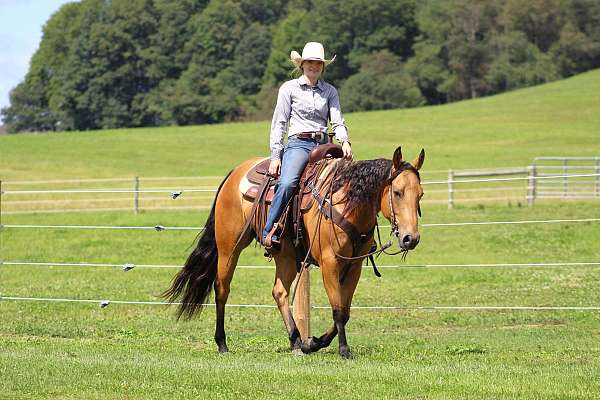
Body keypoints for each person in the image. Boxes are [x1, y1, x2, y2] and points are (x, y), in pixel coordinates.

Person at [262, 41, 353, 246]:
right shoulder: (289, 89)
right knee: (287, 183)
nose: (314, 66)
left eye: (318, 63)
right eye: (310, 62)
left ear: (323, 67)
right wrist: (276, 156)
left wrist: (344, 141)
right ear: (302, 64)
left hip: (324, 146)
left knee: (350, 182)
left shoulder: (330, 91)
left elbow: (337, 120)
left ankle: (356, 233)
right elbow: (280, 123)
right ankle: (270, 229)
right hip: (298, 144)